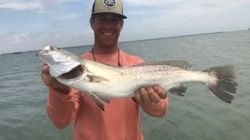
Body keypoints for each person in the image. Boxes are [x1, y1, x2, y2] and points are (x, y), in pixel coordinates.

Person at [41, 0, 168, 140]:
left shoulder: (137, 65)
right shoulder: (75, 69)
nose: (108, 25)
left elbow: (160, 111)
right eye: (102, 19)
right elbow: (60, 122)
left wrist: (149, 102)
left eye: (114, 20)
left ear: (121, 25)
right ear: (92, 23)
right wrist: (59, 90)